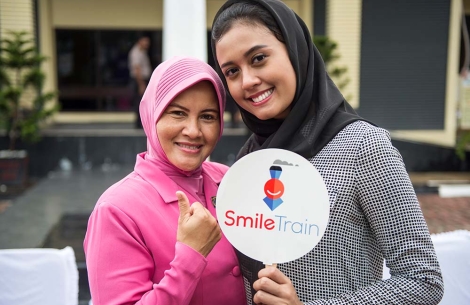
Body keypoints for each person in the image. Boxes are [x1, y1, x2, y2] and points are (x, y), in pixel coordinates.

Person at [210, 1, 444, 304]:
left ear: (295, 50)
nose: (248, 81)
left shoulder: (363, 147)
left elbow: (423, 280)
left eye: (258, 58)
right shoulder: (248, 161)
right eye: (232, 71)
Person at [84, 56, 247, 305]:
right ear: (152, 115)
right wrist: (190, 257)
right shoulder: (117, 210)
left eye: (208, 116)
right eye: (178, 113)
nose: (193, 131)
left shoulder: (226, 178)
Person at [128, 35, 151, 129]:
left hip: (142, 80)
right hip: (139, 80)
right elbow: (137, 70)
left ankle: (142, 122)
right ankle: (139, 124)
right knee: (140, 102)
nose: (147, 44)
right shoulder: (136, 52)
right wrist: (141, 84)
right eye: (145, 41)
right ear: (139, 41)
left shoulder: (142, 52)